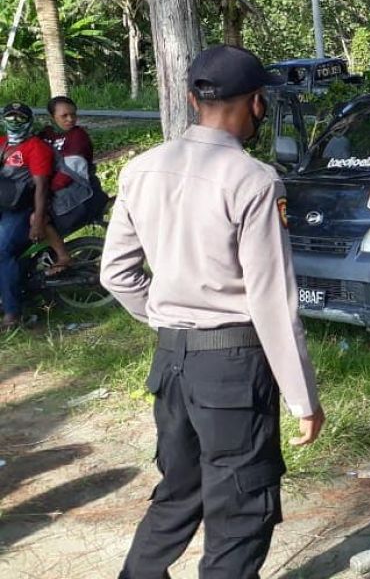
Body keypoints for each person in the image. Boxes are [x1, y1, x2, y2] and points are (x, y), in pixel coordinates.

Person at [101, 46, 324, 579]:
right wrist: (304, 399)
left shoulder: (140, 170)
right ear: (256, 103)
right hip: (232, 368)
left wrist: (167, 319)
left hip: (172, 363)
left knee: (178, 494)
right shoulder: (253, 181)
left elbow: (116, 274)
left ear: (190, 99)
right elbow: (271, 300)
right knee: (242, 509)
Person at [0, 103, 53, 330]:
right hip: (3, 206)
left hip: (22, 210)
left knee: (2, 252)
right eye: (10, 117)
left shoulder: (36, 148)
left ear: (29, 121)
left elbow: (41, 187)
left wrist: (38, 220)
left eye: (19, 118)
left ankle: (12, 313)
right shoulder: (2, 143)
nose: (14, 122)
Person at [40, 96, 100, 273]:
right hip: (53, 188)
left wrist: (44, 192)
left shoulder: (78, 136)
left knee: (39, 217)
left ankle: (62, 256)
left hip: (74, 191)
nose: (70, 119)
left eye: (73, 115)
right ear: (53, 117)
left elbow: (70, 173)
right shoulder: (46, 134)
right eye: (64, 116)